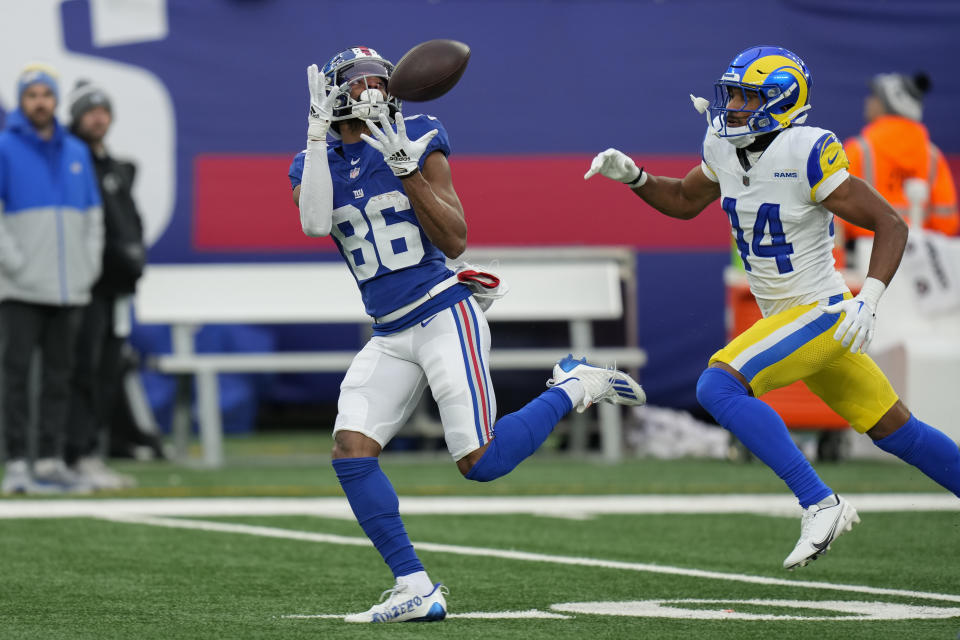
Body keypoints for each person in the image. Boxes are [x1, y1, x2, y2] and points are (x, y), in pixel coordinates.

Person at [289, 46, 645, 623]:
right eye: (357, 83)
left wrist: (408, 172)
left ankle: (573, 386)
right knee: (351, 450)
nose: (373, 91)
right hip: (388, 332)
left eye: (381, 80)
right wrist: (313, 134)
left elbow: (455, 240)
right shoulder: (313, 160)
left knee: (481, 462)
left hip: (441, 312)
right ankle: (415, 586)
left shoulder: (420, 135)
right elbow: (311, 223)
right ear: (330, 93)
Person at [585, 46, 960, 571]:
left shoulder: (807, 150)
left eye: (746, 96)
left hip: (822, 312)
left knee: (717, 385)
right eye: (731, 94)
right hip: (787, 316)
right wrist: (636, 178)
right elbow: (685, 202)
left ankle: (819, 501)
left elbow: (890, 224)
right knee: (898, 430)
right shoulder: (723, 144)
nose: (733, 105)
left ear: (781, 102)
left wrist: (868, 299)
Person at [0, 64, 104, 494]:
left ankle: (48, 458)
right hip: (21, 287)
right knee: (16, 377)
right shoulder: (5, 147)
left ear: (56, 101)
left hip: (70, 289)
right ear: (22, 102)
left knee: (60, 377)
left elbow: (93, 217)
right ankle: (15, 464)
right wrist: (15, 263)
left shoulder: (76, 152)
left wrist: (88, 267)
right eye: (32, 95)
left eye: (46, 94)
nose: (40, 102)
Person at [65, 80, 148, 489]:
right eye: (89, 110)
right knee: (81, 370)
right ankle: (74, 454)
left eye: (103, 110)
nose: (98, 118)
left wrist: (133, 265)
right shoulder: (73, 161)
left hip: (116, 289)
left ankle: (90, 452)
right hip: (85, 288)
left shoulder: (112, 164)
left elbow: (128, 224)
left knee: (105, 371)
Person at [842, 72, 958, 249]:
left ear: (888, 105)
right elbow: (947, 223)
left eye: (875, 97)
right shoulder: (933, 156)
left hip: (864, 257)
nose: (868, 101)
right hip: (921, 259)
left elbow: (837, 215)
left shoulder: (858, 151)